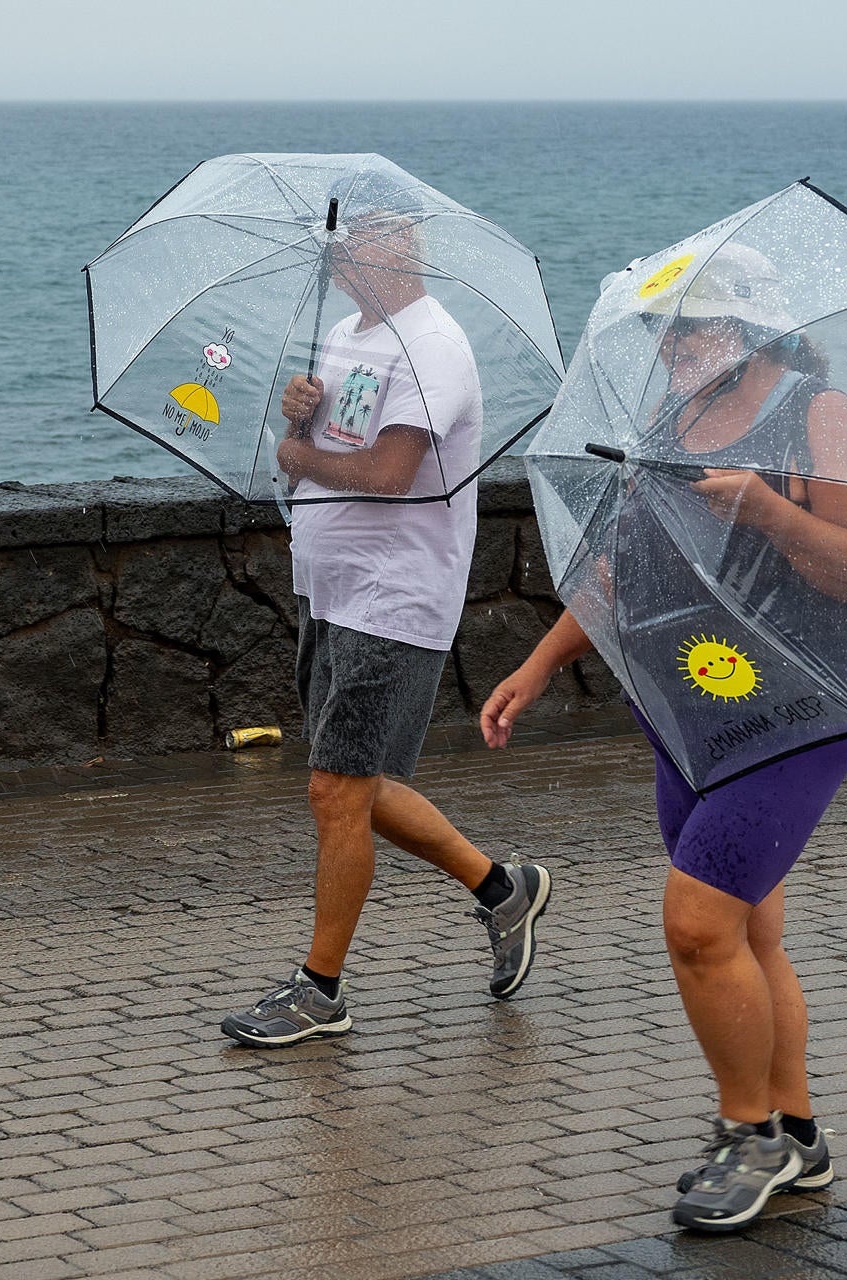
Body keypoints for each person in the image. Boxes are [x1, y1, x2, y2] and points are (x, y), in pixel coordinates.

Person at [480, 243, 847, 1231]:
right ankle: (794, 1131)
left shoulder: (815, 412)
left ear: (747, 328)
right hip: (691, 708)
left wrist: (767, 509)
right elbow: (623, 566)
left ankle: (746, 1130)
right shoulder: (667, 421)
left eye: (691, 327)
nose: (671, 346)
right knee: (750, 930)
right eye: (659, 330)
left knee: (698, 924)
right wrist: (541, 663)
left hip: (796, 709)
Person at [220, 181, 553, 1048]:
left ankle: (321, 989)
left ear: (397, 253)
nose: (337, 260)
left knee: (335, 788)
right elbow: (332, 447)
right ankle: (501, 891)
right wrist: (303, 413)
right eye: (337, 249)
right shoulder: (345, 334)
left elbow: (392, 472)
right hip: (329, 585)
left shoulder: (434, 346)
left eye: (354, 247)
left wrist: (298, 450)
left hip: (395, 596)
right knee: (356, 780)